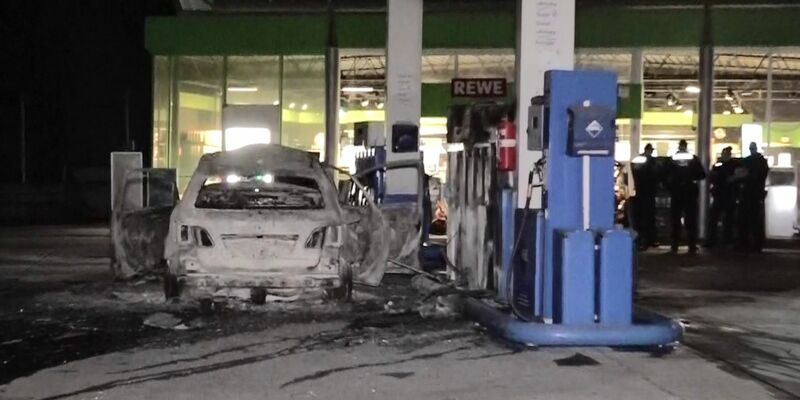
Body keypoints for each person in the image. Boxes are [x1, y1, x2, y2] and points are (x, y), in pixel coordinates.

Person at [667, 139, 706, 254]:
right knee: (691, 220)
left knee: (675, 219)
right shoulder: (693, 159)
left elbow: (665, 175)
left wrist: (671, 186)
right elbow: (701, 174)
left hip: (676, 192)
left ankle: (674, 245)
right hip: (690, 192)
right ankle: (692, 245)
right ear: (686, 146)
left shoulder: (672, 159)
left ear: (679, 146)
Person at [737, 142, 770, 252]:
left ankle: (746, 243)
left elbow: (742, 174)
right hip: (755, 194)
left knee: (746, 220)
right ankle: (755, 244)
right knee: (754, 220)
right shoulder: (761, 162)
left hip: (749, 193)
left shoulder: (748, 161)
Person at [706, 146, 739, 248]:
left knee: (725, 219)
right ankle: (717, 240)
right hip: (722, 194)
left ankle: (724, 240)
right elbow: (712, 176)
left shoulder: (733, 165)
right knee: (716, 218)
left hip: (727, 194)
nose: (724, 155)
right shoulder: (725, 165)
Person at [630, 143, 658, 249]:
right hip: (647, 192)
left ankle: (644, 240)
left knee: (642, 217)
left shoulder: (639, 160)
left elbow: (634, 171)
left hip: (641, 192)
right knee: (647, 217)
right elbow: (656, 174)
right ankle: (648, 240)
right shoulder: (652, 161)